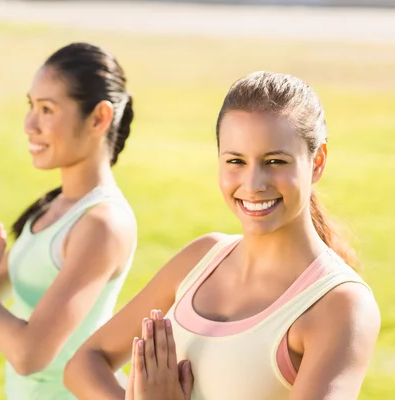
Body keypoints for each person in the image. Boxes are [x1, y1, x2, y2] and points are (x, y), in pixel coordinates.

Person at [63, 71, 381, 400]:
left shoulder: (340, 306)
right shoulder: (201, 258)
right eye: (236, 161)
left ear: (317, 162)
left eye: (275, 161)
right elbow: (84, 363)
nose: (253, 184)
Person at [0, 42, 138, 400]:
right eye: (31, 106)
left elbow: (29, 355)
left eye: (47, 109)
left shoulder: (102, 224)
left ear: (99, 118)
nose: (29, 124)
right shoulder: (52, 208)